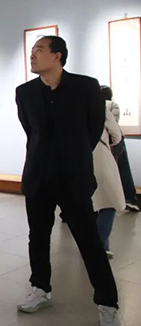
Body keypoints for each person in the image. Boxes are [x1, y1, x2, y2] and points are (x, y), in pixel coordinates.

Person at [15, 36, 120, 326]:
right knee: (38, 237)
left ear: (57, 56)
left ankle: (107, 303)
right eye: (32, 51)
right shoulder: (25, 92)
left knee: (89, 242)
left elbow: (92, 130)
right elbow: (31, 130)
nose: (32, 55)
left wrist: (72, 158)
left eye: (39, 50)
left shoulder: (86, 87)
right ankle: (40, 288)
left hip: (74, 178)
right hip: (38, 177)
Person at [92, 103, 126, 258]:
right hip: (100, 157)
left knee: (88, 205)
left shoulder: (67, 105)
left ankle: (90, 245)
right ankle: (101, 245)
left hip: (76, 160)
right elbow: (116, 134)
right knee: (110, 202)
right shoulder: (100, 106)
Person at [100, 85, 139, 212]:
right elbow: (114, 123)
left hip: (100, 143)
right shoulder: (112, 105)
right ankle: (129, 198)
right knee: (122, 168)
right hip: (115, 140)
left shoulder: (93, 105)